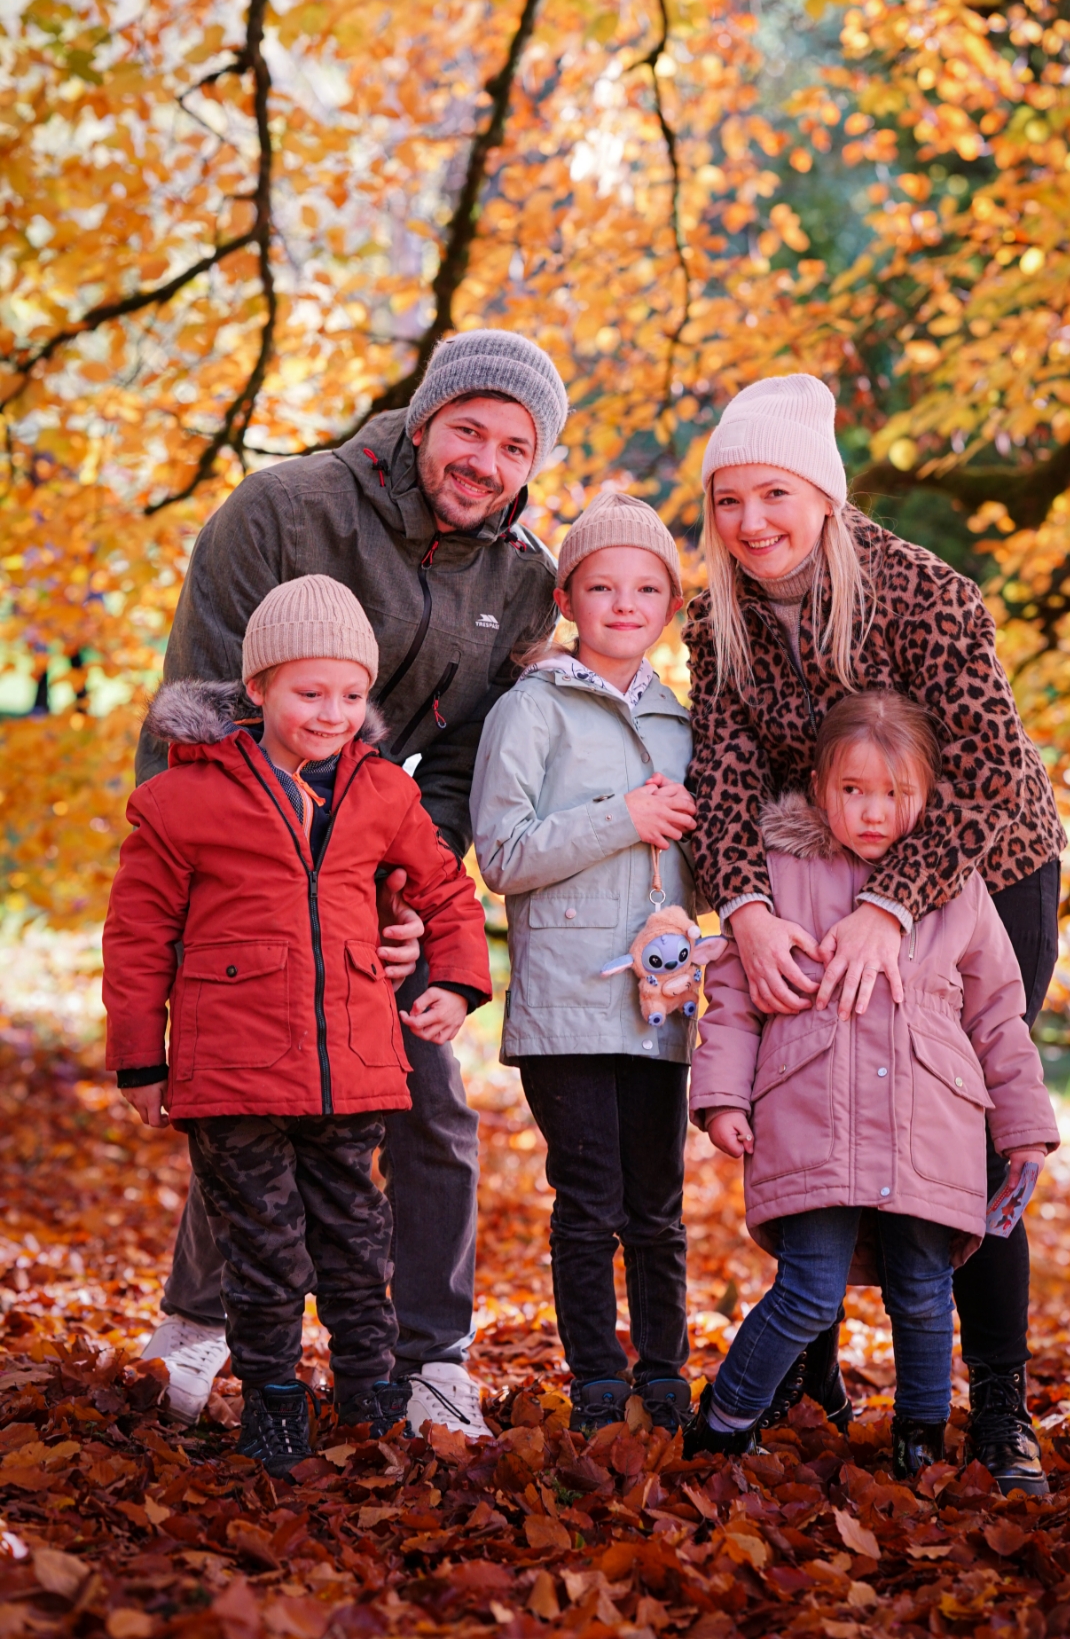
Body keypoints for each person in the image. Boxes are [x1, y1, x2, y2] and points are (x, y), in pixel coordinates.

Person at [134, 329, 567, 1437]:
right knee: (252, 1098)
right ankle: (196, 1321)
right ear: (422, 420)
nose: (485, 457)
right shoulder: (285, 510)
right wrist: (266, 897)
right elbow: (198, 708)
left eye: (515, 444)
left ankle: (429, 1357)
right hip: (239, 862)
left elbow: (470, 754)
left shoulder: (522, 577)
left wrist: (403, 901)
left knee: (430, 1103)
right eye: (467, 426)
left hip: (378, 871)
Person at [685, 373, 1067, 1493]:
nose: (750, 522)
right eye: (725, 500)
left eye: (773, 494)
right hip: (802, 872)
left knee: (966, 1122)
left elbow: (989, 769)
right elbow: (722, 766)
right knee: (809, 1075)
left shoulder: (922, 592)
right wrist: (746, 908)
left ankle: (997, 1405)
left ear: (825, 496)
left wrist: (890, 908)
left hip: (978, 872)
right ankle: (807, 1368)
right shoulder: (721, 613)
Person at [103, 577, 492, 1474]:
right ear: (258, 691)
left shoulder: (381, 792)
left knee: (358, 1243)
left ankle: (370, 1394)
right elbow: (137, 936)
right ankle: (273, 1395)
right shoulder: (181, 801)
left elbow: (444, 890)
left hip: (352, 1066)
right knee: (267, 1252)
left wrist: (461, 985)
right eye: (309, 693)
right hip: (234, 1074)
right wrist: (139, 1061)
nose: (331, 713)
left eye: (351, 696)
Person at [686, 691, 1058, 1476]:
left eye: (895, 794)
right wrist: (722, 1097)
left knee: (922, 1292)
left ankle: (918, 1439)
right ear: (821, 786)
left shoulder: (956, 890)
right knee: (809, 1291)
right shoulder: (782, 874)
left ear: (926, 796)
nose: (872, 812)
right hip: (813, 1121)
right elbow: (732, 996)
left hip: (930, 1127)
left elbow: (999, 1014)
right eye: (853, 790)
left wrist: (1024, 1128)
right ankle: (723, 1419)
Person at [470, 492, 699, 1435]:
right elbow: (504, 855)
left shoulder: (685, 725)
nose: (624, 603)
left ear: (670, 607)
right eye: (602, 586)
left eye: (647, 587)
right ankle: (598, 1376)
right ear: (567, 597)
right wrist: (623, 819)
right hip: (568, 1005)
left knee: (659, 1206)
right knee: (590, 1198)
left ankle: (666, 1374)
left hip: (664, 1002)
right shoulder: (532, 711)